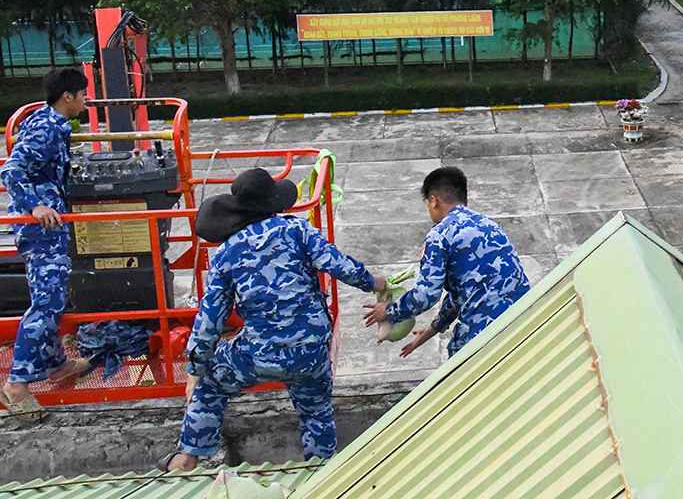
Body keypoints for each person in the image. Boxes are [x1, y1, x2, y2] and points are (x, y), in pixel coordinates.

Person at [165, 168, 386, 471]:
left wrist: (196, 367)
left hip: (258, 352)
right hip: (309, 349)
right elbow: (339, 266)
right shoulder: (299, 231)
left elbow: (210, 318)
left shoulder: (226, 253)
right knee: (316, 410)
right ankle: (322, 472)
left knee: (210, 383)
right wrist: (376, 283)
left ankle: (187, 458)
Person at [0, 67, 92, 422]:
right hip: (41, 228)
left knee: (51, 295)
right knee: (47, 304)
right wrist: (35, 205)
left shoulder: (43, 120)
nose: (86, 99)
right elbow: (11, 170)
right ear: (67, 96)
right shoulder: (46, 127)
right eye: (82, 93)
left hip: (45, 226)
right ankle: (17, 383)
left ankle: (55, 365)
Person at [364, 167, 530, 359]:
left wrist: (389, 311)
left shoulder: (439, 235)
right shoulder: (491, 225)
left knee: (457, 370)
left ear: (434, 201)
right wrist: (435, 328)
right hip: (523, 320)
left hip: (485, 333)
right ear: (464, 199)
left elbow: (426, 295)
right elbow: (466, 288)